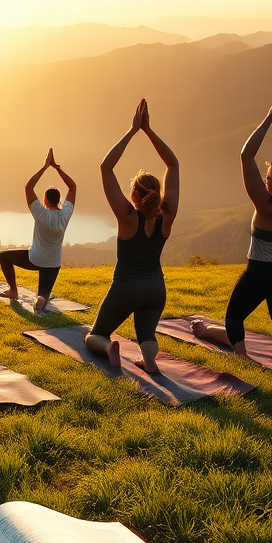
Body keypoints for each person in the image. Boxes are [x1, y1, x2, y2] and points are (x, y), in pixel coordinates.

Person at [191, 86, 272, 366]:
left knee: (234, 316)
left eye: (268, 177)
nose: (265, 180)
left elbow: (245, 155)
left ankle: (242, 358)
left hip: (260, 272)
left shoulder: (268, 207)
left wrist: (271, 116)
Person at [85, 99, 179, 374]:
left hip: (127, 286)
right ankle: (149, 359)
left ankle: (107, 347)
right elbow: (172, 164)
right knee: (146, 333)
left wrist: (132, 130)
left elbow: (105, 167)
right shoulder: (168, 214)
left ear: (134, 195)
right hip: (156, 288)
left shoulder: (128, 216)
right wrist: (149, 131)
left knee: (95, 335)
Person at [0, 148, 77, 311]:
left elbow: (28, 187)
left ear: (45, 200)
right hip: (54, 263)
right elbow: (73, 187)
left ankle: (13, 290)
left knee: (3, 256)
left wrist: (45, 166)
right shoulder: (65, 214)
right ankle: (41, 299)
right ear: (59, 200)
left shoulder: (40, 213)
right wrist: (57, 168)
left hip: (35, 259)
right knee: (43, 295)